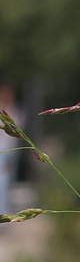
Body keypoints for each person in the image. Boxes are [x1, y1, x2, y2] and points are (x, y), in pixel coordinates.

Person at [0, 83, 22, 219]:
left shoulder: (14, 113)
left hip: (7, 154)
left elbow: (14, 137)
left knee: (4, 185)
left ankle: (3, 215)